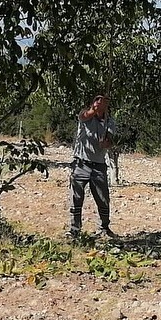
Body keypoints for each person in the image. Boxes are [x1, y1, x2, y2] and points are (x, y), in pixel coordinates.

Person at [69, 94, 116, 239]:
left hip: (99, 165)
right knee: (76, 198)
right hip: (81, 162)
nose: (99, 102)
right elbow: (85, 115)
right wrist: (94, 110)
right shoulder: (85, 115)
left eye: (103, 100)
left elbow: (110, 140)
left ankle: (104, 228)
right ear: (93, 102)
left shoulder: (110, 121)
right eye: (97, 99)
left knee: (103, 198)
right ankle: (74, 229)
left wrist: (105, 143)